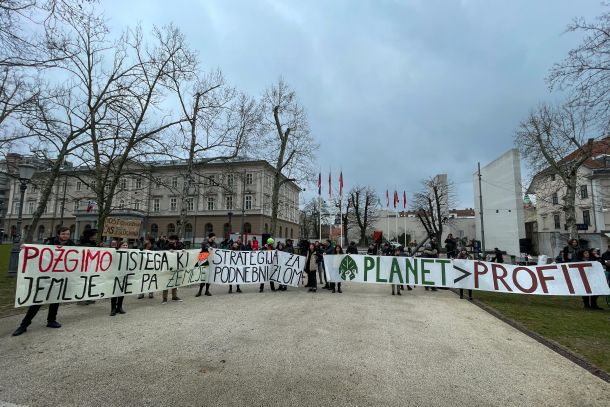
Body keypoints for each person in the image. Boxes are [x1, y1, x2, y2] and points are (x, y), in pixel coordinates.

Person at [12, 226, 73, 336]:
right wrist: (27, 248)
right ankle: (24, 325)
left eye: (68, 234)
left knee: (55, 299)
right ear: (59, 234)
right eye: (64, 234)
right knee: (38, 300)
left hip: (60, 276)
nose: (66, 236)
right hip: (46, 276)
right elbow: (40, 252)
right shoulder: (50, 242)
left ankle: (51, 320)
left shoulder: (71, 245)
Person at [77, 229, 98, 305]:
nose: (96, 236)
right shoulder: (83, 243)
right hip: (83, 266)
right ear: (90, 235)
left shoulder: (93, 243)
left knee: (90, 282)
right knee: (83, 282)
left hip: (90, 266)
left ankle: (88, 297)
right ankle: (80, 299)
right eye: (95, 235)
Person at [161, 235, 184, 304]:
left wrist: (183, 251)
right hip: (168, 266)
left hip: (177, 266)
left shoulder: (180, 245)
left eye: (172, 240)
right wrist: (168, 251)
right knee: (166, 282)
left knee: (175, 282)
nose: (170, 241)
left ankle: (174, 296)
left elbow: (183, 253)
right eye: (170, 240)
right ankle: (164, 298)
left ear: (176, 240)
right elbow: (162, 252)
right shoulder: (166, 245)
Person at [110, 241, 129, 316]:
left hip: (124, 275)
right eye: (123, 245)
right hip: (116, 275)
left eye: (126, 245)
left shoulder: (129, 254)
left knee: (122, 291)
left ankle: (119, 307)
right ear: (120, 246)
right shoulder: (115, 253)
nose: (125, 246)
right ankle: (113, 309)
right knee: (114, 292)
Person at [196, 233, 215, 297]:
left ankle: (207, 291)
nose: (214, 239)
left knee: (209, 276)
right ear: (210, 237)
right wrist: (209, 248)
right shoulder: (204, 243)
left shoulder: (214, 244)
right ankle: (200, 291)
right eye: (213, 237)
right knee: (203, 275)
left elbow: (216, 250)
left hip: (210, 261)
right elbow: (205, 247)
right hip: (204, 260)